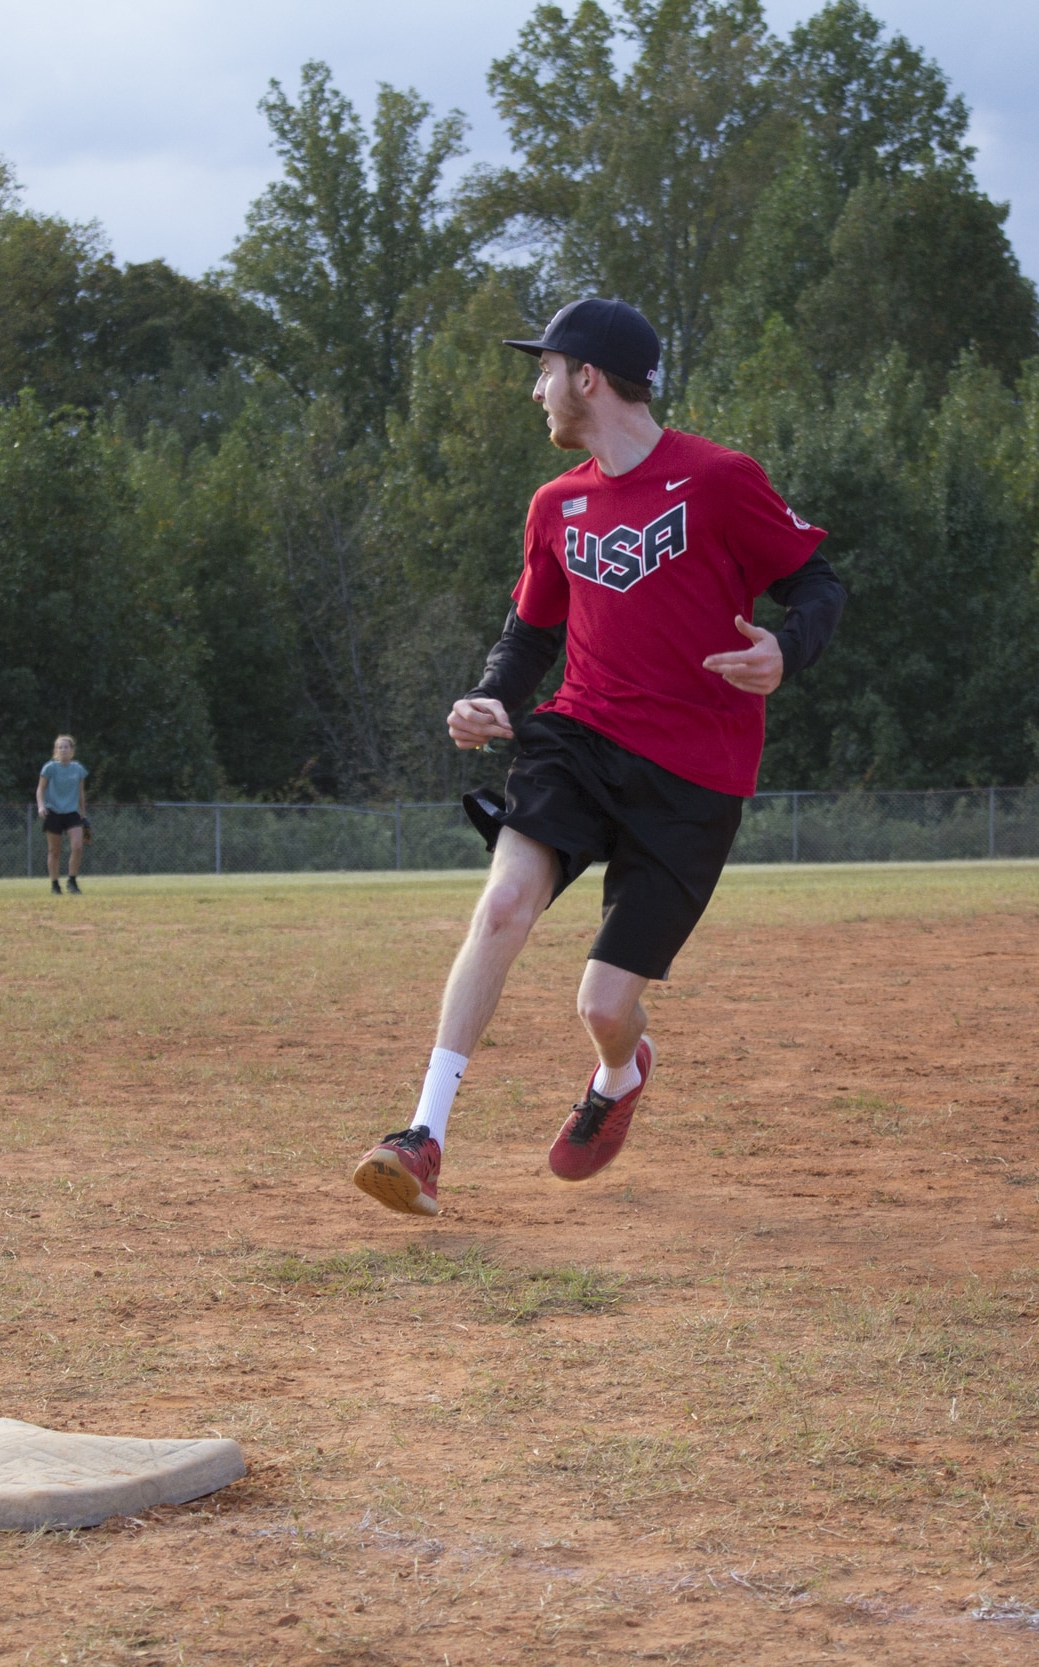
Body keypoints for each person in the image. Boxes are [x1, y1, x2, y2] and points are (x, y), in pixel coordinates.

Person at [351, 297, 846, 1217]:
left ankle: (619, 1076)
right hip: (578, 736)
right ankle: (422, 1137)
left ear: (586, 376)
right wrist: (494, 696)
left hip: (695, 776)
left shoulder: (719, 478)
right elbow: (529, 634)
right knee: (503, 904)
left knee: (604, 1006)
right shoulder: (556, 504)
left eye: (543, 370)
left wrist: (788, 647)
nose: (535, 389)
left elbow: (817, 580)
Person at [36, 735, 90, 894]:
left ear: (72, 750)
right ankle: (55, 885)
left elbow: (80, 793)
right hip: (53, 812)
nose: (63, 750)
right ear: (56, 750)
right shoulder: (50, 768)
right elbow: (40, 789)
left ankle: (72, 881)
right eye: (60, 747)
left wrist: (83, 814)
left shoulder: (78, 769)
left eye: (66, 747)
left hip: (72, 812)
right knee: (54, 851)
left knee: (78, 847)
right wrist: (40, 806)